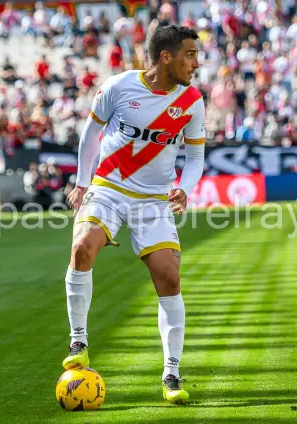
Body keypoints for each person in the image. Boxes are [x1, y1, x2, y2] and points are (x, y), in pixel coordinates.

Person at [62, 25, 205, 405]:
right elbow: (90, 134)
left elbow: (195, 157)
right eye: (190, 55)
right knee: (81, 249)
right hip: (108, 187)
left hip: (154, 200)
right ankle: (79, 341)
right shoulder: (119, 86)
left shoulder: (192, 101)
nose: (196, 63)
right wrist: (81, 182)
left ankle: (171, 374)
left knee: (169, 276)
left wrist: (185, 187)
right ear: (166, 57)